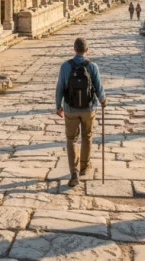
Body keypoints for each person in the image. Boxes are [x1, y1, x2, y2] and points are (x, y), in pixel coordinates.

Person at [55, 37, 106, 188]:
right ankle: (84, 166)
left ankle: (74, 172)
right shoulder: (92, 66)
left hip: (70, 108)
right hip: (88, 108)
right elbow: (98, 87)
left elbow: (60, 87)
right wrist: (103, 100)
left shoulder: (65, 66)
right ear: (87, 50)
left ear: (74, 49)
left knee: (71, 139)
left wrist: (58, 106)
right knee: (87, 136)